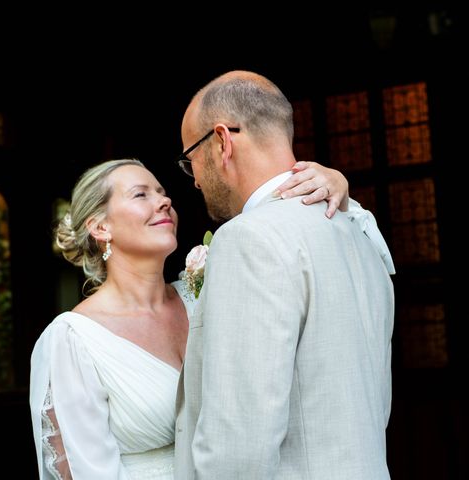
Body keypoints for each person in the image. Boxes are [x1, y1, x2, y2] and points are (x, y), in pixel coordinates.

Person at [29, 157, 362, 479]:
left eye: (162, 192)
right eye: (141, 194)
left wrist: (333, 184)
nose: (164, 201)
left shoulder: (206, 297)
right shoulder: (73, 340)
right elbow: (85, 471)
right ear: (101, 227)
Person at [174, 70, 395, 479]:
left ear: (222, 141)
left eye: (191, 161)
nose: (196, 181)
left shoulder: (247, 240)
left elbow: (239, 446)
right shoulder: (359, 228)